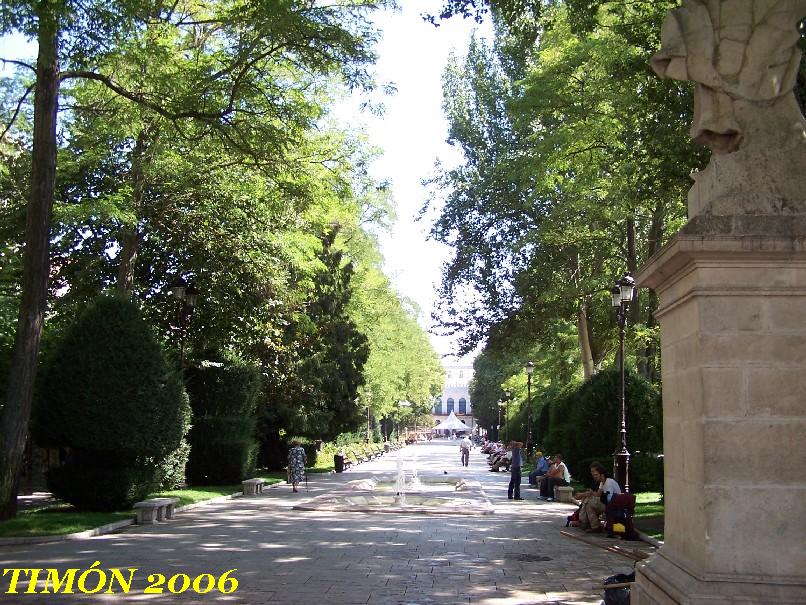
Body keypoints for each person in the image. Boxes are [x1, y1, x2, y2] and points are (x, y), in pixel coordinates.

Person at [574, 462, 622, 533]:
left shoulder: (609, 482)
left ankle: (584, 522)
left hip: (612, 505)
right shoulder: (602, 482)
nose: (594, 476)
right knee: (588, 502)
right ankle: (594, 526)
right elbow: (598, 494)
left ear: (601, 474)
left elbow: (609, 499)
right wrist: (586, 494)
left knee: (589, 501)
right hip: (606, 504)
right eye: (592, 474)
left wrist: (587, 495)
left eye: (595, 474)